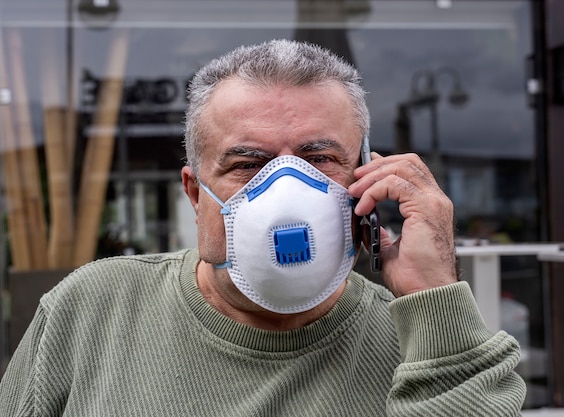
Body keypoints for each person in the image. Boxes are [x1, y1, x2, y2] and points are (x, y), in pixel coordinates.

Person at [0, 39, 525, 416]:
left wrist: (435, 300)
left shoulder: (419, 339)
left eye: (319, 159)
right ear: (193, 192)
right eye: (248, 164)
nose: (285, 191)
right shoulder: (91, 311)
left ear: (365, 178)